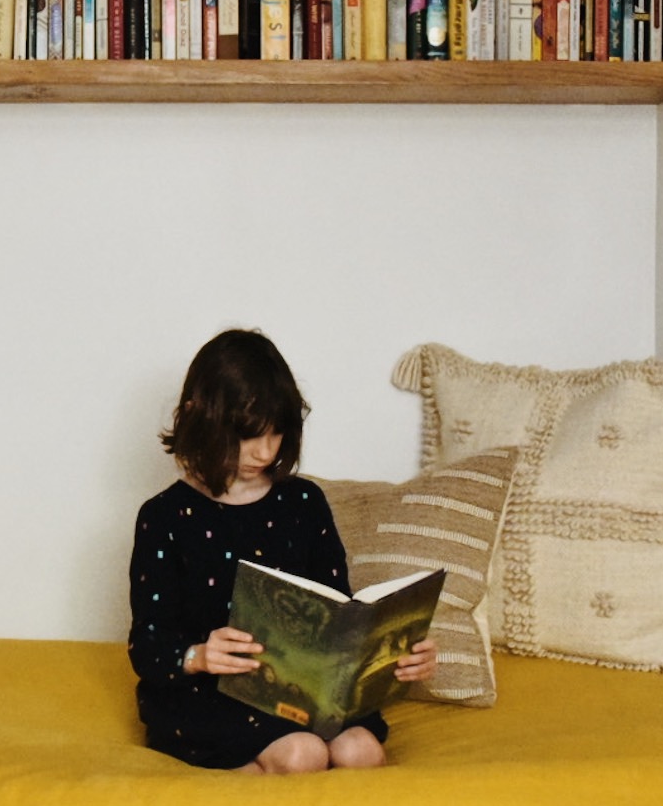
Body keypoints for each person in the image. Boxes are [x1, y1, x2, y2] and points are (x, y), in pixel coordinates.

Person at [127, 329, 437, 774]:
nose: (266, 451)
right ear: (200, 418)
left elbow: (340, 616)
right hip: (211, 698)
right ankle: (238, 783)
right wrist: (198, 655)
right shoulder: (164, 517)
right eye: (248, 435)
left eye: (277, 433)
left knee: (360, 752)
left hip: (304, 695)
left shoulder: (304, 503)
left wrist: (397, 655)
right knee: (302, 754)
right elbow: (148, 646)